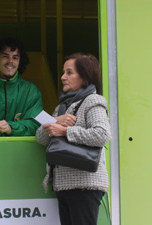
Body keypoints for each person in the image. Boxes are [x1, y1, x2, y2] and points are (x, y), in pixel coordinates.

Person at [36, 53, 110, 225]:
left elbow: (102, 134)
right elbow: (41, 137)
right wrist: (56, 121)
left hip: (85, 186)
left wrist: (65, 131)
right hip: (64, 186)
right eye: (63, 72)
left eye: (69, 73)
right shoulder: (62, 107)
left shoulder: (94, 100)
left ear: (84, 77)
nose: (63, 77)